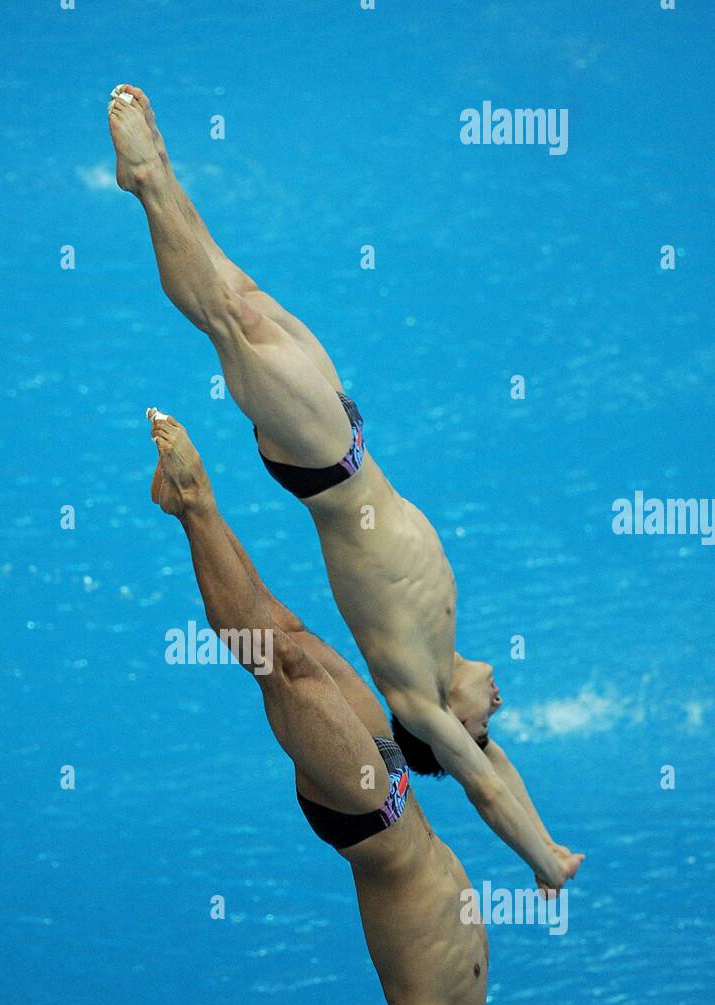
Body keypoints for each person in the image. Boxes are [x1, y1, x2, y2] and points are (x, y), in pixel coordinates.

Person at [146, 406, 627, 1005]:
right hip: (391, 787)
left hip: (364, 817)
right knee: (287, 633)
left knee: (276, 663)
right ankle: (193, 507)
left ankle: (192, 504)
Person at [108, 84, 583, 894]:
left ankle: (148, 179)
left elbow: (483, 780)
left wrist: (546, 862)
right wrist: (543, 830)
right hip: (347, 440)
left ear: (451, 732)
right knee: (239, 290)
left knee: (227, 317)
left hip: (327, 464)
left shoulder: (417, 696)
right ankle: (159, 175)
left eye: (488, 727)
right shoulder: (441, 658)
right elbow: (493, 763)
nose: (497, 713)